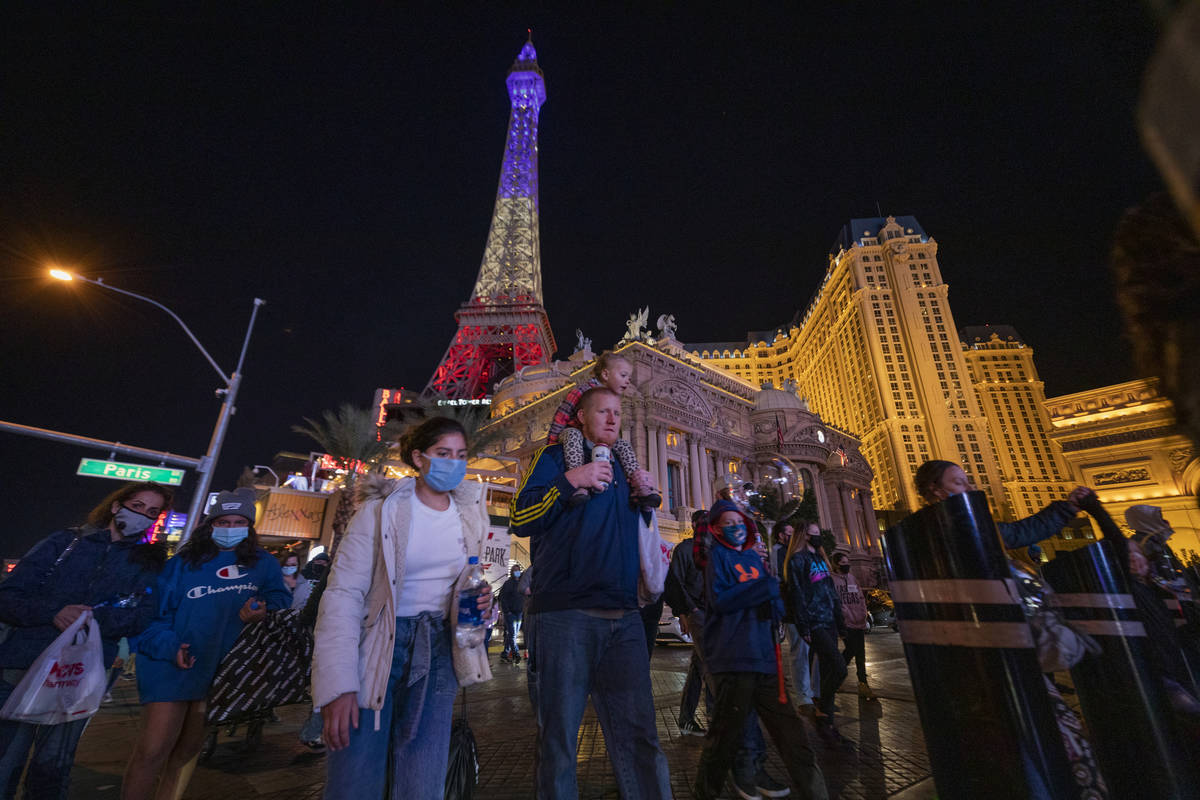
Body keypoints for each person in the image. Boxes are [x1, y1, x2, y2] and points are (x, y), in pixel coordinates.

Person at [311, 417, 494, 800]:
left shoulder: (470, 513)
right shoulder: (379, 511)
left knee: (422, 781)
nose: (453, 463)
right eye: (443, 454)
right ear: (419, 457)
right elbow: (343, 594)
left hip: (439, 649)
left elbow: (468, 580)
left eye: (461, 455)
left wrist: (480, 602)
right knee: (355, 777)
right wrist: (338, 686)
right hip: (380, 644)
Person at [511, 386, 672, 798]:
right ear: (582, 417)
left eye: (618, 412)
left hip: (624, 617)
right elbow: (520, 516)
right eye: (604, 411)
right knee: (559, 740)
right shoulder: (551, 459)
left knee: (640, 736)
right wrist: (570, 480)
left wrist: (647, 498)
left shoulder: (625, 470)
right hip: (564, 618)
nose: (614, 419)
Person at [0, 482, 171, 800]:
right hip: (21, 665)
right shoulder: (65, 543)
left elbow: (141, 617)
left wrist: (91, 620)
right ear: (117, 506)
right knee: (5, 760)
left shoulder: (145, 562)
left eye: (152, 512)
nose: (143, 515)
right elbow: (9, 597)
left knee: (52, 767)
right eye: (137, 505)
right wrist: (54, 613)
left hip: (79, 676)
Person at [122, 488, 289, 800]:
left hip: (221, 669)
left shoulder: (265, 564)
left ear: (249, 527)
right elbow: (153, 616)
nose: (230, 529)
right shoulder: (182, 564)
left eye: (239, 522)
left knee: (187, 751)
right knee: (153, 749)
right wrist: (170, 646)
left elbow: (280, 600)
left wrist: (263, 608)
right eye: (223, 522)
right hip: (171, 665)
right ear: (210, 524)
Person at [694, 499, 828, 800]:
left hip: (766, 661)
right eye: (727, 523)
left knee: (792, 734)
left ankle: (816, 791)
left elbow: (772, 606)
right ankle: (705, 791)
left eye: (738, 521)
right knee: (724, 737)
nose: (735, 527)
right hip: (734, 659)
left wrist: (776, 596)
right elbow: (719, 600)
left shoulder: (758, 558)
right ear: (716, 529)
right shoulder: (718, 557)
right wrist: (761, 589)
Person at [546, 351, 661, 509]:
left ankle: (639, 486)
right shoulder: (583, 390)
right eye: (623, 375)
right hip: (572, 432)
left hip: (596, 442)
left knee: (624, 445)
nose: (628, 381)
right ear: (606, 374)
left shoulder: (614, 398)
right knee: (573, 435)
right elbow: (562, 416)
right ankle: (579, 485)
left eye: (629, 376)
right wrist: (550, 447)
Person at [913, 460, 1092, 549]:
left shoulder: (972, 523)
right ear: (936, 489)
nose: (971, 488)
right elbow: (1018, 534)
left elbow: (1017, 533)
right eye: (959, 483)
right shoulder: (934, 530)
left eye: (969, 482)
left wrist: (1067, 508)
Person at [783, 520, 849, 747]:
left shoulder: (820, 559)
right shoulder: (797, 560)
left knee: (831, 668)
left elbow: (831, 592)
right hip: (814, 621)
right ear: (805, 536)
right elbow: (797, 594)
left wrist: (840, 621)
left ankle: (826, 723)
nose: (818, 537)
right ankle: (820, 705)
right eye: (814, 534)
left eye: (819, 533)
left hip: (829, 619)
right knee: (839, 667)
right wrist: (804, 626)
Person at [772, 521, 814, 712]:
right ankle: (803, 696)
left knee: (810, 652)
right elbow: (781, 579)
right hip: (792, 610)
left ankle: (812, 693)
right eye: (789, 533)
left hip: (806, 609)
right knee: (800, 651)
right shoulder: (779, 552)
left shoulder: (801, 553)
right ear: (781, 535)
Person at [829, 551, 875, 701]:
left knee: (858, 652)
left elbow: (860, 597)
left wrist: (863, 613)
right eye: (843, 563)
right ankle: (842, 676)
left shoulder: (852, 578)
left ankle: (860, 683)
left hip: (859, 621)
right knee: (852, 650)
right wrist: (844, 615)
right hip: (846, 622)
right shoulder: (832, 580)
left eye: (847, 562)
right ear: (836, 564)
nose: (846, 565)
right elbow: (835, 601)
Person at [497, 564, 524, 664]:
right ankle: (516, 654)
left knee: (513, 634)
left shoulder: (521, 583)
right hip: (510, 613)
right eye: (515, 570)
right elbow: (502, 598)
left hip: (519, 613)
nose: (517, 572)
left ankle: (505, 653)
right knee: (512, 635)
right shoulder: (508, 584)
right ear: (512, 572)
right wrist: (506, 611)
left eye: (518, 570)